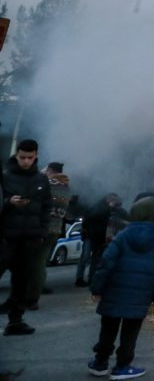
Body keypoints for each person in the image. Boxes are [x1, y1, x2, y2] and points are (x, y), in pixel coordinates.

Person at [88, 196, 154, 379]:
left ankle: (100, 363)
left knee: (108, 329)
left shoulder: (122, 236)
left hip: (113, 292)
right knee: (130, 333)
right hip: (140, 296)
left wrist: (97, 288)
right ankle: (122, 366)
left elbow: (106, 263)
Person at [2, 139, 52, 335]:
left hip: (30, 238)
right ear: (16, 155)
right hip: (6, 237)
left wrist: (42, 232)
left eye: (29, 158)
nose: (25, 161)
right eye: (22, 157)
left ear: (36, 156)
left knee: (22, 281)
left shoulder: (41, 180)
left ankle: (15, 321)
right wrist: (8, 202)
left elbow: (47, 208)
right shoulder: (5, 176)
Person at [35, 162, 72, 299]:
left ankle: (32, 293)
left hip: (42, 227)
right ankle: (38, 287)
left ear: (50, 170)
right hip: (55, 229)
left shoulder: (48, 183)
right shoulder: (66, 187)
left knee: (35, 261)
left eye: (45, 169)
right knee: (42, 260)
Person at [82, 194, 124, 286]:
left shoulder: (108, 209)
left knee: (95, 259)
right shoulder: (101, 208)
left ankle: (91, 278)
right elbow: (90, 219)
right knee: (92, 259)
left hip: (99, 237)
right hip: (95, 237)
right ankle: (89, 278)